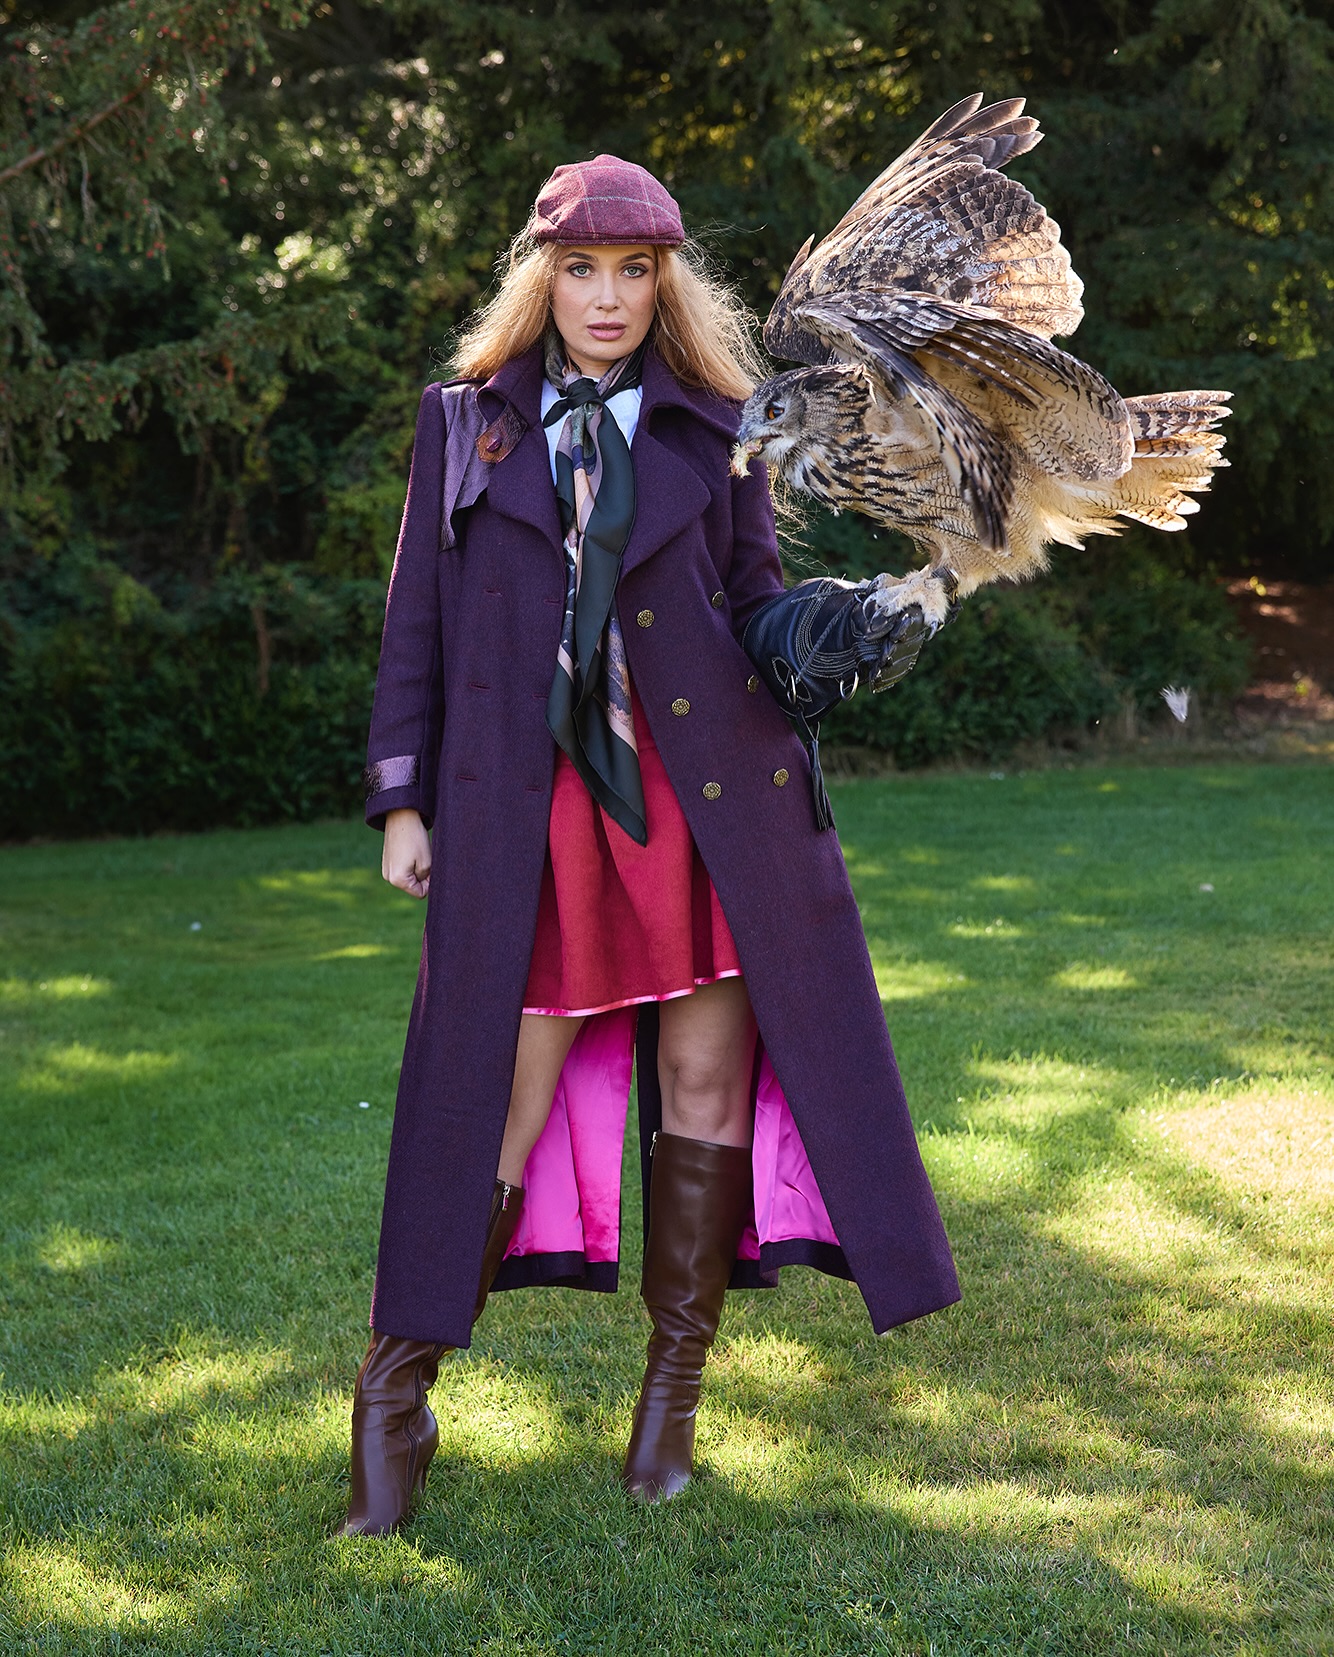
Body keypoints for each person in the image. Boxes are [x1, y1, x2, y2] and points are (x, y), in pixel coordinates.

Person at [342, 155, 960, 1536]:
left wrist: (821, 630)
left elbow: (751, 602)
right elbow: (415, 629)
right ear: (541, 277)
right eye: (581, 269)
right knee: (491, 1093)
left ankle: (670, 1395)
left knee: (702, 1076)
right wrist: (401, 799)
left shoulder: (720, 424)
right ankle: (397, 1390)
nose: (608, 297)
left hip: (707, 803)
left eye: (635, 272)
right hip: (530, 807)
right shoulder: (461, 426)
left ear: (666, 282)